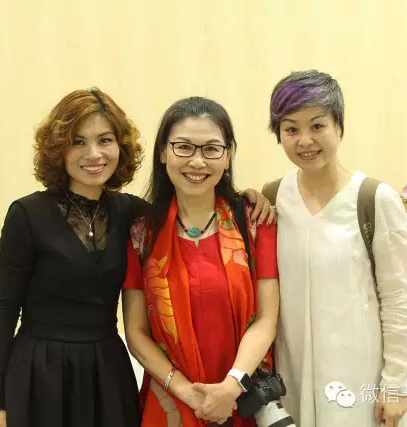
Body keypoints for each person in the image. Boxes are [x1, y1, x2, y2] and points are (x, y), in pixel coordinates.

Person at [0, 88, 274, 427]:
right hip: (41, 370)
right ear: (58, 147)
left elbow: (196, 202)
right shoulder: (27, 214)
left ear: (120, 146)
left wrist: (250, 197)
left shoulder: (132, 216)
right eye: (78, 142)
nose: (94, 153)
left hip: (107, 371)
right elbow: (3, 311)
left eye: (105, 140)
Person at [264, 70, 407, 427]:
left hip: (358, 377)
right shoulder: (273, 198)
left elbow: (397, 298)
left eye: (317, 126)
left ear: (338, 126)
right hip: (293, 375)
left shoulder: (374, 200)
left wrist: (395, 384)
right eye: (291, 129)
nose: (305, 140)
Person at [123, 96, 280, 427]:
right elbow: (135, 331)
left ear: (228, 156)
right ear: (163, 152)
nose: (197, 161)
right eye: (183, 147)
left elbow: (267, 318)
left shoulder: (254, 223)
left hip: (242, 397)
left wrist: (230, 387)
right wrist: (190, 394)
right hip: (171, 401)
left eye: (211, 149)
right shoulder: (141, 235)